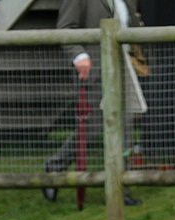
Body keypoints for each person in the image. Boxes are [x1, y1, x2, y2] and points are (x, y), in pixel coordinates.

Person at [43, 0, 144, 206]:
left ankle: (121, 190)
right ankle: (53, 169)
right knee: (93, 125)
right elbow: (65, 28)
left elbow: (132, 26)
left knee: (125, 126)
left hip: (123, 67)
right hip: (95, 70)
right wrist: (79, 55)